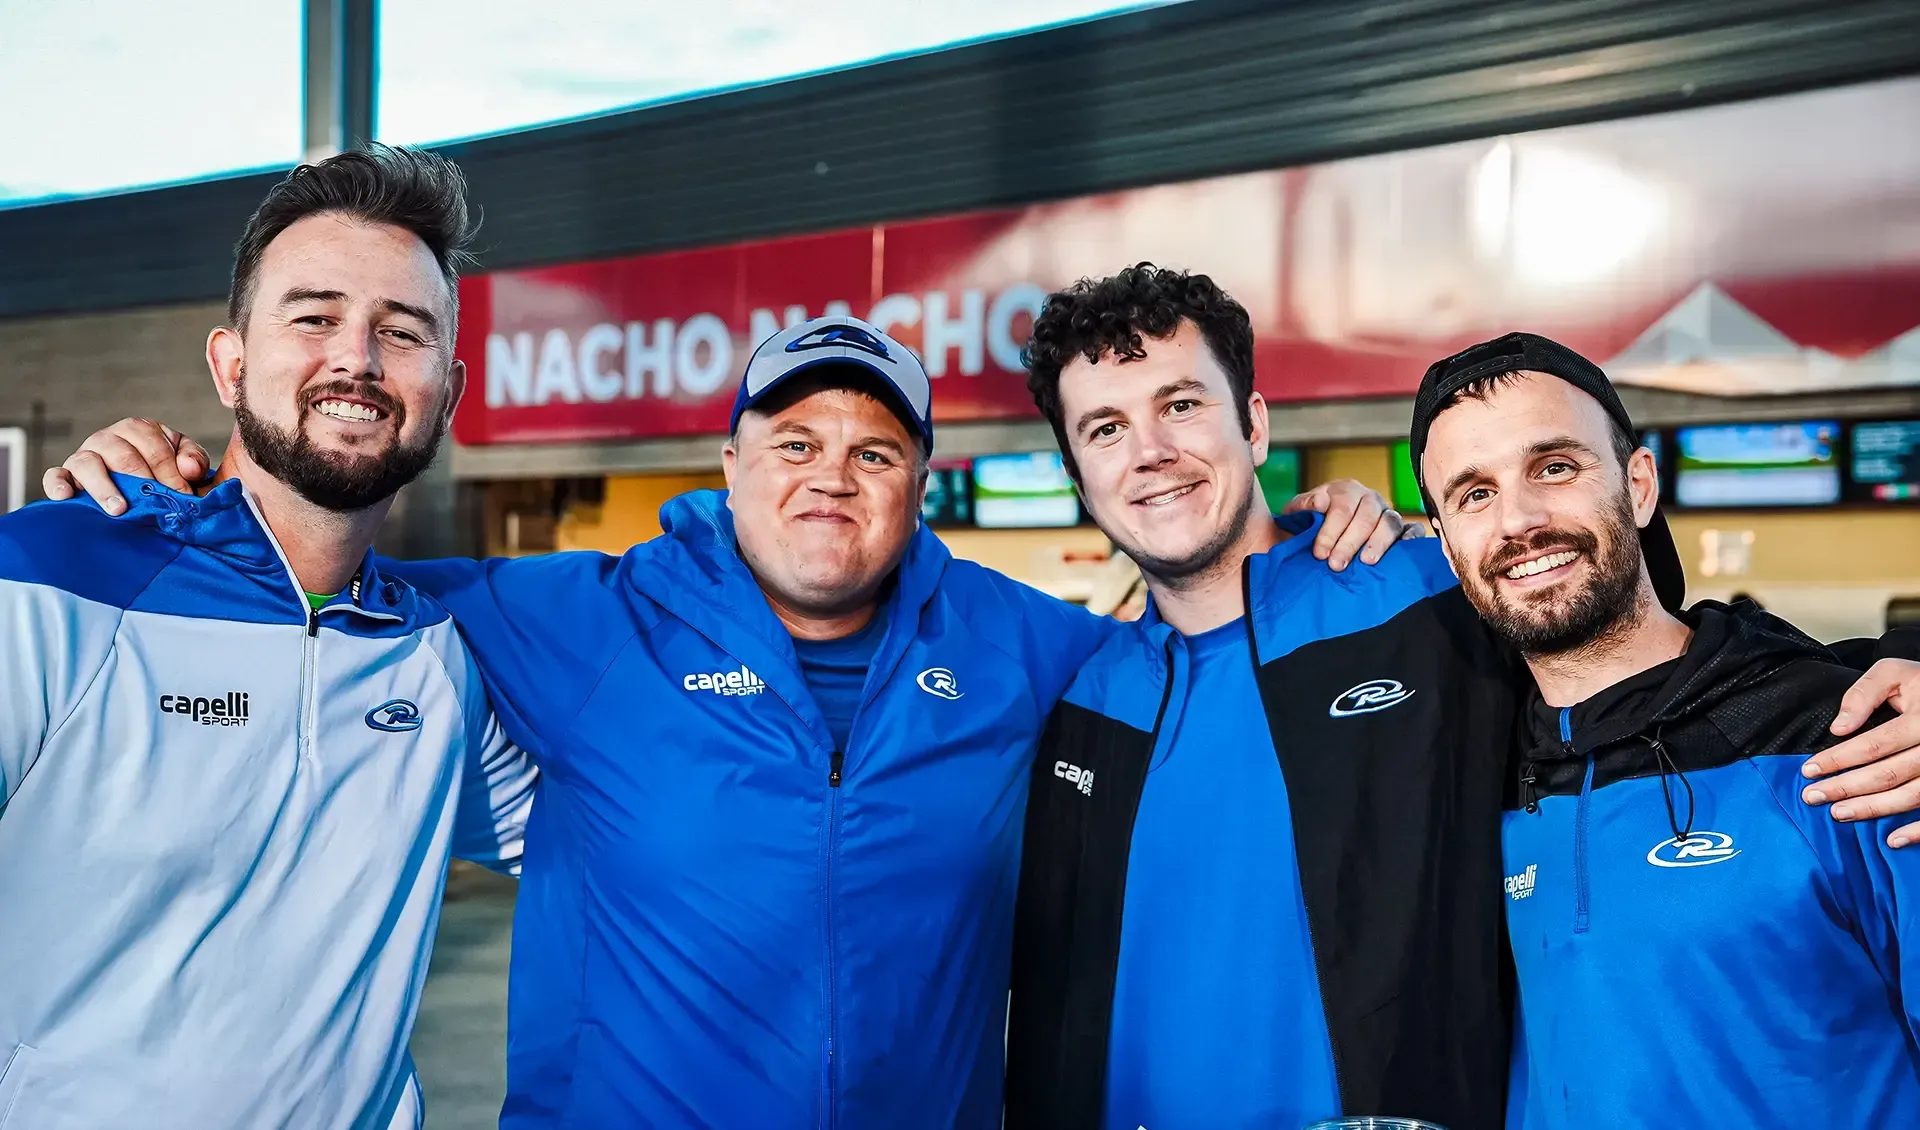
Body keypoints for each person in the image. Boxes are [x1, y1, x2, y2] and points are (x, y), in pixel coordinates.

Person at [45, 319, 1408, 1126]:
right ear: (731, 463)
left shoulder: (1018, 644)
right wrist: (178, 493)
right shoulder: (587, 620)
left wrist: (1321, 539)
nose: (832, 477)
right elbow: (319, 567)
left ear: (919, 483)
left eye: (875, 452)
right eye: (795, 444)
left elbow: (1198, 638)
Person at [1004, 266, 1920, 1130]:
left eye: (1181, 404)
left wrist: (1894, 671)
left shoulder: (1424, 599)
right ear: (1077, 474)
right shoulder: (1080, 697)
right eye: (1106, 429)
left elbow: (1656, 661)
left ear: (1253, 423)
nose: (1152, 452)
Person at [0, 146, 537, 1129]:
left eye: (401, 331)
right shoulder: (47, 580)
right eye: (315, 316)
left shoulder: (438, 659)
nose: (358, 358)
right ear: (231, 363)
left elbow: (631, 829)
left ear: (450, 392)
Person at [1412, 333, 1920, 1127]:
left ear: (1639, 485)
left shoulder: (1853, 744)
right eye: (1474, 493)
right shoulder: (1470, 776)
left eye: (1555, 467)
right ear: (1447, 548)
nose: (1520, 519)